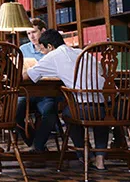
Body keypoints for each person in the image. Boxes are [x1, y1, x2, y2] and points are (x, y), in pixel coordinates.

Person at [24, 29, 109, 171]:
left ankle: (84, 154)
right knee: (101, 116)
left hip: (82, 108)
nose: (43, 53)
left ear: (50, 46)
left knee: (68, 114)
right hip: (108, 105)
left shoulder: (53, 56)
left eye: (43, 49)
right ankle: (100, 160)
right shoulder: (83, 52)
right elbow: (101, 73)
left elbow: (29, 75)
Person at [15, 18, 59, 153]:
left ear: (43, 31)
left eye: (34, 32)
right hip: (27, 93)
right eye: (28, 34)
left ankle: (38, 146)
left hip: (47, 93)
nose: (31, 36)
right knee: (14, 112)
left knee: (49, 111)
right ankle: (33, 141)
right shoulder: (23, 49)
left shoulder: (52, 48)